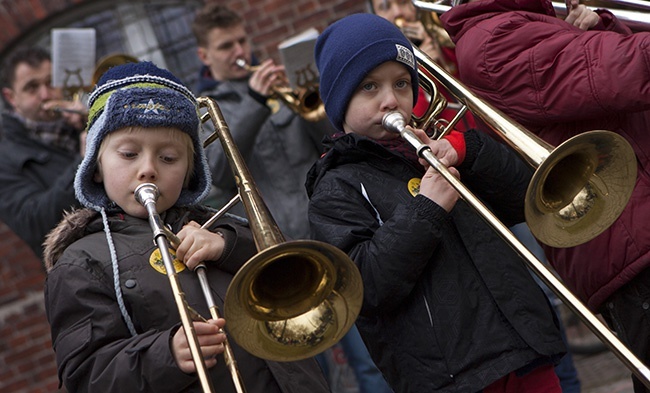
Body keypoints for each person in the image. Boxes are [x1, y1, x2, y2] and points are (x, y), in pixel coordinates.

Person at [307, 13, 566, 393]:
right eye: (368, 87)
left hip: (521, 347)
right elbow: (364, 287)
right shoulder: (336, 187)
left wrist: (468, 151)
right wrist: (427, 208)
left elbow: (528, 196)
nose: (391, 100)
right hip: (453, 377)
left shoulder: (432, 148)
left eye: (401, 83)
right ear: (340, 101)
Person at [42, 61, 330, 393]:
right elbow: (85, 376)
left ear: (190, 172)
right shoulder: (80, 263)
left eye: (168, 158)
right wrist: (166, 354)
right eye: (128, 154)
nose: (148, 169)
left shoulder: (223, 223)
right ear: (95, 167)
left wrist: (226, 246)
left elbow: (295, 275)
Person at [439, 1, 650, 391]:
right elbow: (622, 69)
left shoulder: (526, 22)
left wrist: (603, 25)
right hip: (627, 244)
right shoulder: (493, 41)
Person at [191, 3, 335, 240]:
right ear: (204, 55)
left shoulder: (279, 84)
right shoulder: (203, 109)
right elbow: (220, 172)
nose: (240, 52)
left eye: (242, 41)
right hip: (274, 236)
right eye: (227, 46)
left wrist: (308, 95)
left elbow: (329, 142)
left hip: (327, 218)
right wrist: (255, 102)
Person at [0, 47, 86, 261]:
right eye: (32, 88)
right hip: (80, 271)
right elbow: (35, 224)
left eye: (50, 83)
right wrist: (84, 161)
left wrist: (91, 123)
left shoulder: (79, 127)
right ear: (11, 98)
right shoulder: (5, 160)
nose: (46, 95)